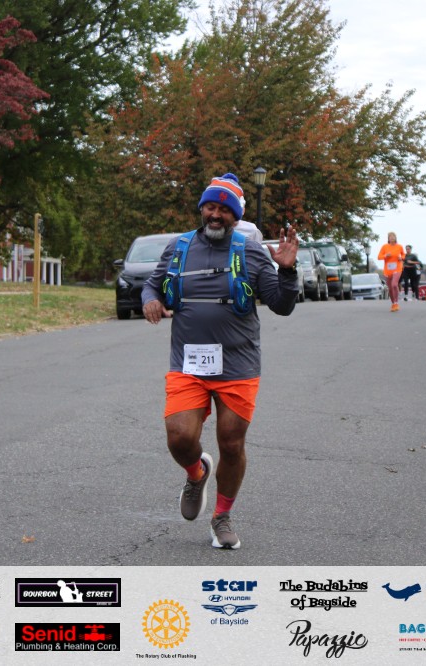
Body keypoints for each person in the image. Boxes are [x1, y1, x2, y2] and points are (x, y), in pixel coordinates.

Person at [141, 172, 299, 549]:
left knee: (231, 443)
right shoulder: (179, 247)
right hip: (189, 363)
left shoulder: (251, 252)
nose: (215, 214)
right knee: (179, 437)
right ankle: (197, 473)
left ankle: (222, 516)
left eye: (224, 210)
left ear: (235, 216)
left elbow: (282, 305)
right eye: (210, 207)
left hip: (238, 365)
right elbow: (152, 284)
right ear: (202, 209)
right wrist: (151, 300)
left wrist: (287, 270)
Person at [377, 232, 405, 312]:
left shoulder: (399, 246)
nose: (392, 238)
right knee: (390, 288)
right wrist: (386, 255)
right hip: (388, 270)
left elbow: (403, 255)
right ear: (388, 238)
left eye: (393, 236)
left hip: (397, 268)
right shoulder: (385, 247)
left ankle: (396, 303)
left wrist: (401, 258)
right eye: (390, 237)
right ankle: (393, 303)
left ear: (396, 238)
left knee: (394, 285)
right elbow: (379, 257)